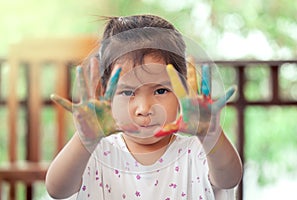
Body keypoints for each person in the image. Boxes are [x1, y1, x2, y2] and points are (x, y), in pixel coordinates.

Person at [45, 14, 242, 200]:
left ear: (184, 89)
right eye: (128, 92)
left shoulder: (197, 152)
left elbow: (229, 178)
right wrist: (84, 139)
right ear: (106, 93)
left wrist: (209, 134)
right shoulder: (94, 153)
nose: (144, 109)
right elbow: (57, 190)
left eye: (161, 91)